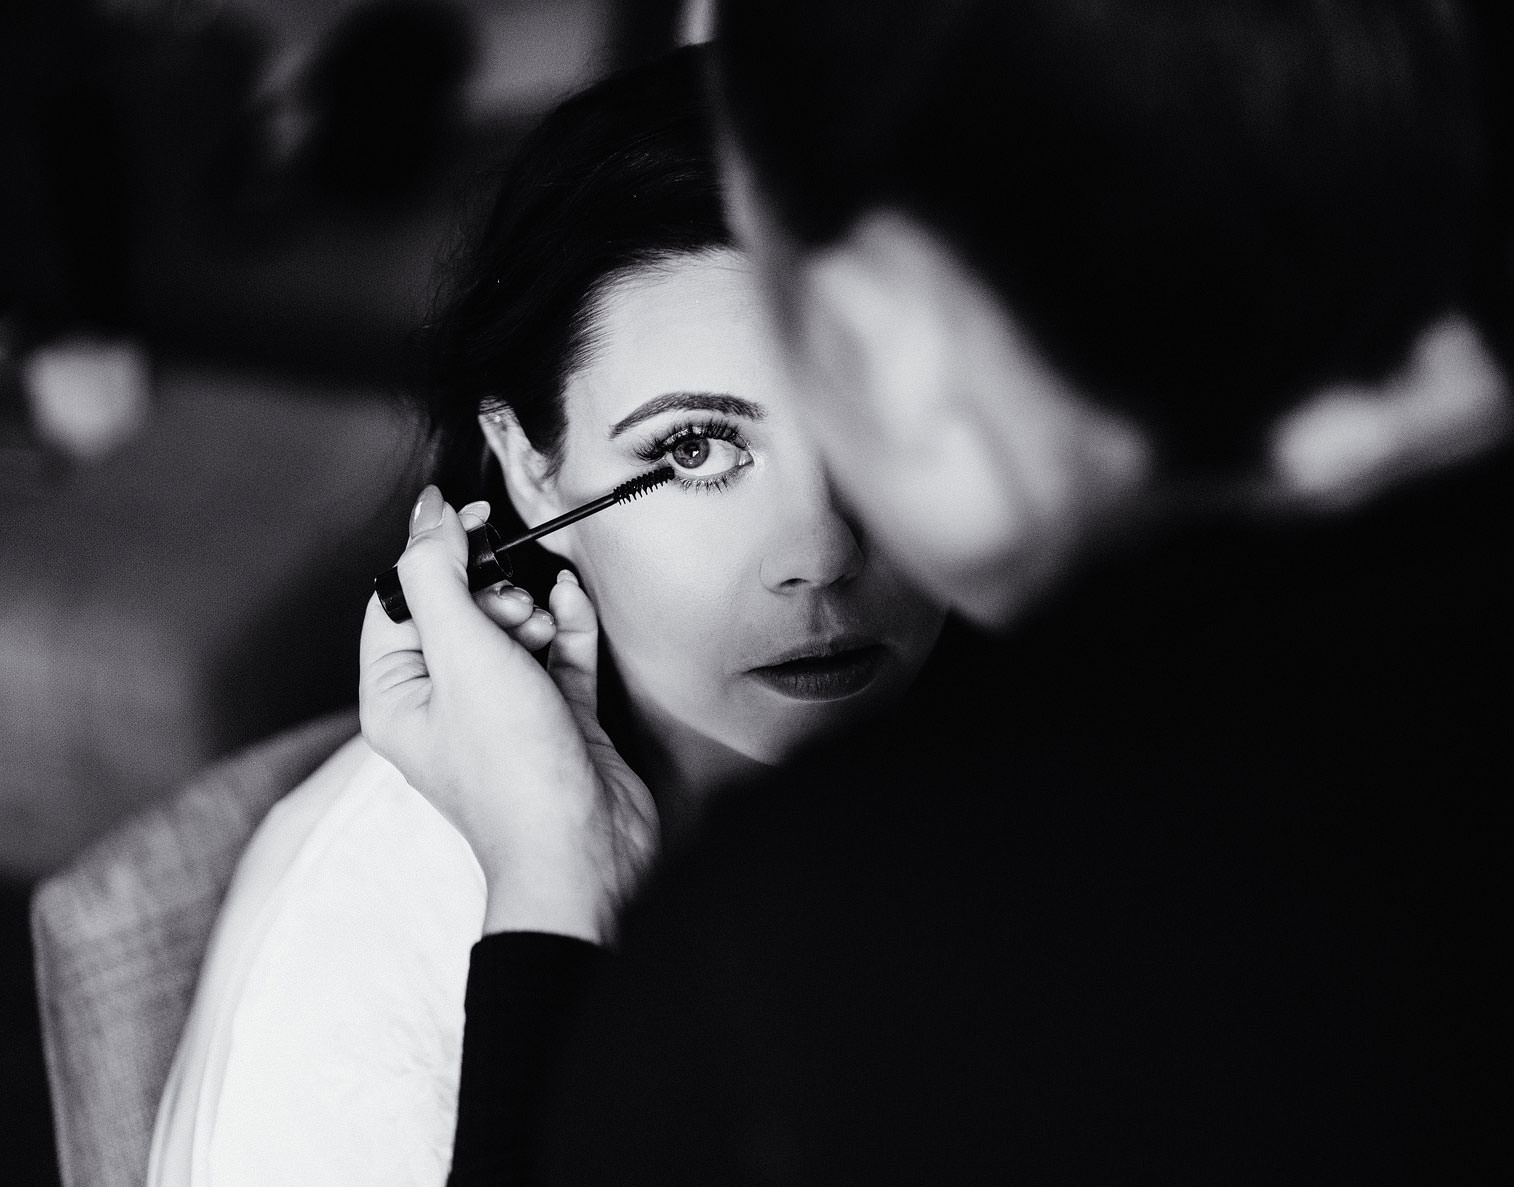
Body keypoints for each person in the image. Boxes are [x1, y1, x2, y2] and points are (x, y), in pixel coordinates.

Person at [364, 2, 1514, 1181]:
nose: (818, 539)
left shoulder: (809, 959)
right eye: (696, 444)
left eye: (817, 363)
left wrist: (553, 890)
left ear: (892, 339)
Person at [147, 47, 943, 1187]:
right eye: (695, 447)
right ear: (531, 468)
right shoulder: (362, 971)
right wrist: (556, 887)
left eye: (872, 419)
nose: (821, 552)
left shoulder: (1077, 766)